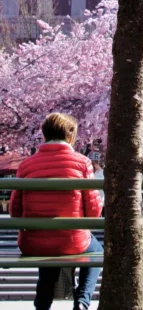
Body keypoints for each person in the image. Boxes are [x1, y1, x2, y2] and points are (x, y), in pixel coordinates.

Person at [10, 113, 103, 310]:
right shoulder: (82, 163)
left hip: (34, 243)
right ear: (71, 137)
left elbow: (14, 211)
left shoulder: (26, 164)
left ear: (44, 135)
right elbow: (94, 213)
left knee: (47, 248)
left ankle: (42, 304)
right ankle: (83, 302)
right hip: (72, 241)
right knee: (96, 250)